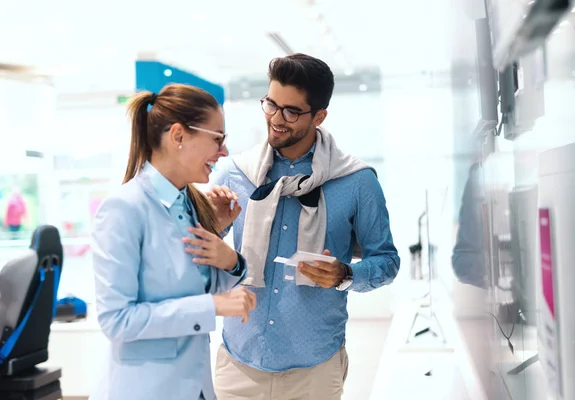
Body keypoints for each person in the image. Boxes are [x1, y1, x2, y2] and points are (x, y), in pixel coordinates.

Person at [206, 54, 400, 399]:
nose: (276, 120)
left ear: (319, 116)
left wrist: (345, 274)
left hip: (315, 370)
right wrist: (217, 228)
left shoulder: (356, 181)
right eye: (270, 105)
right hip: (238, 364)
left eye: (291, 111)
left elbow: (386, 261)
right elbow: (202, 255)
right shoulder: (233, 173)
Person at [90, 84, 257, 400]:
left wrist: (229, 257)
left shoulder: (190, 204)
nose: (223, 152)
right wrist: (212, 306)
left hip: (194, 387)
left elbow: (188, 287)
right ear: (179, 136)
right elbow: (117, 320)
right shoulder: (124, 208)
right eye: (217, 139)